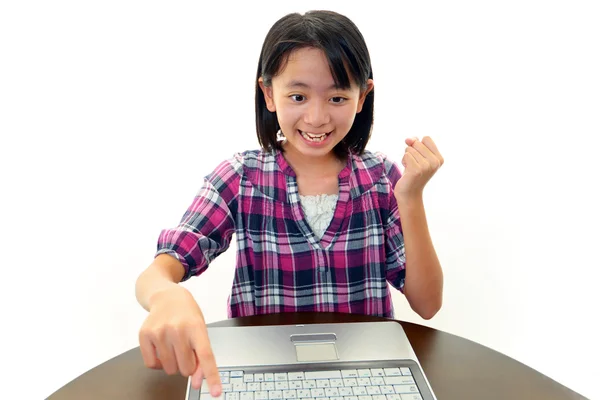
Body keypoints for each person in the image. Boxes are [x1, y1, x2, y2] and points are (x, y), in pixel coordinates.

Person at [135, 9, 444, 398]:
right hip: (264, 370)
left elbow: (427, 303)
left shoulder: (381, 177)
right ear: (268, 93)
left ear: (363, 96)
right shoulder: (241, 176)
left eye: (336, 97)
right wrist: (167, 295)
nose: (316, 118)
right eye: (298, 96)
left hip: (365, 369)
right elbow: (157, 273)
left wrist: (411, 197)